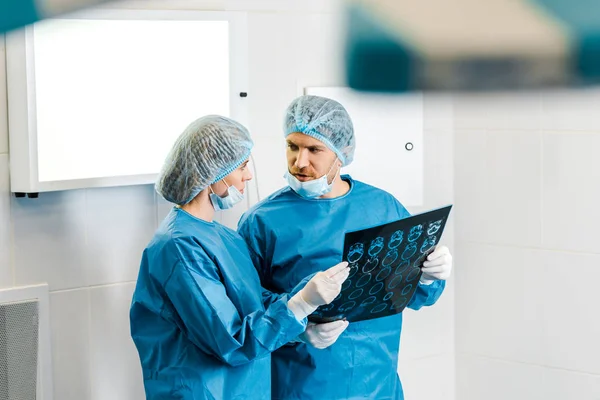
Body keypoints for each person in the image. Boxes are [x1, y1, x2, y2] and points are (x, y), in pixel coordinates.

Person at [237, 96, 454, 400]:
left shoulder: (383, 207)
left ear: (341, 153)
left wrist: (430, 275)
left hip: (377, 384)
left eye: (314, 149)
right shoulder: (262, 221)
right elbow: (245, 306)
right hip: (301, 385)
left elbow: (414, 295)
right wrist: (299, 328)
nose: (300, 161)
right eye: (292, 146)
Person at [129, 115, 350, 400]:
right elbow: (231, 340)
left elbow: (253, 303)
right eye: (243, 166)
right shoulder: (179, 247)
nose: (248, 176)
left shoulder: (224, 237)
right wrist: (300, 304)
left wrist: (303, 324)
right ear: (214, 171)